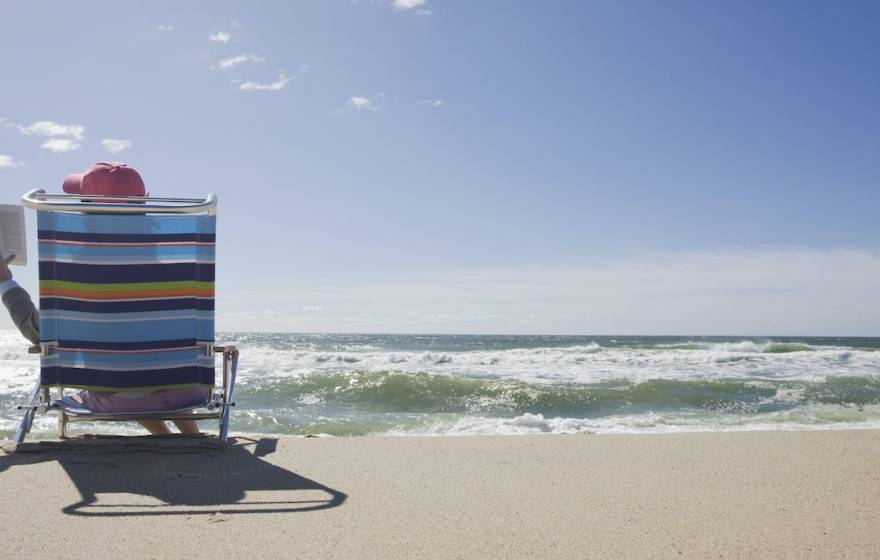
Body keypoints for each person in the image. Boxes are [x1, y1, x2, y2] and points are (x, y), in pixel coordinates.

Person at [2, 162, 207, 435]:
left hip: (117, 399)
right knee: (151, 361)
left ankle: (165, 436)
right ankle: (186, 436)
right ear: (144, 203)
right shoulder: (177, 265)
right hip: (186, 392)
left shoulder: (75, 273)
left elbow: (39, 332)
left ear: (84, 209)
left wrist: (6, 281)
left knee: (122, 377)